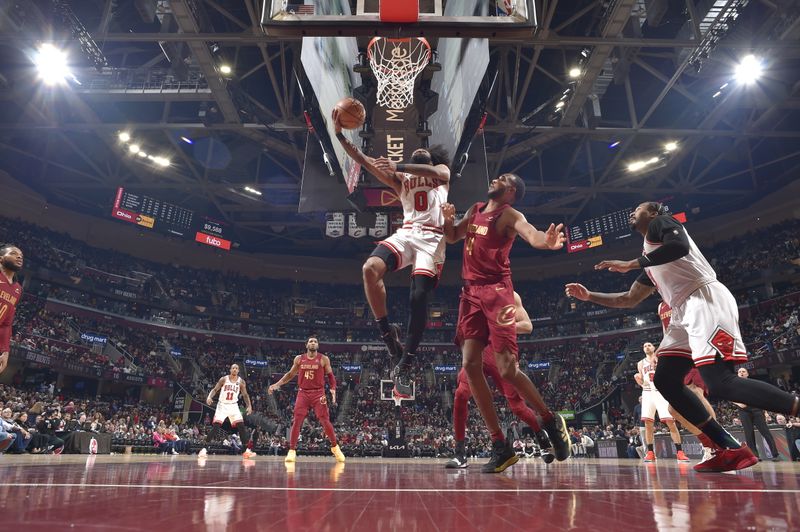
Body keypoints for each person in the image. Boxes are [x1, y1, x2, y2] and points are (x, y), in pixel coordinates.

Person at [565, 201, 800, 472]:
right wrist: (589, 296)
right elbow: (628, 300)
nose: (631, 212)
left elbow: (679, 247)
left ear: (653, 213)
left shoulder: (661, 223)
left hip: (703, 299)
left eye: (637, 208)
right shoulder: (652, 260)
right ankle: (728, 447)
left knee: (720, 382)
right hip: (682, 311)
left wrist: (630, 264)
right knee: (665, 379)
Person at [442, 174, 572, 473]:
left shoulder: (510, 215)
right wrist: (449, 221)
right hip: (470, 293)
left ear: (511, 191)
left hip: (497, 293)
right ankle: (500, 445)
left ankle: (550, 420)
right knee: (470, 364)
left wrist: (545, 241)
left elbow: (531, 233)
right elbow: (452, 237)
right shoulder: (475, 209)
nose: (497, 178)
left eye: (505, 179)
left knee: (507, 369)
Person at [332, 109, 450, 397]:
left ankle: (406, 362)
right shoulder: (401, 182)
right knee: (369, 269)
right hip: (408, 233)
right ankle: (388, 335)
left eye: (424, 150)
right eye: (417, 149)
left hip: (433, 239)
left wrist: (398, 164)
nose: (420, 149)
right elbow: (362, 160)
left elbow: (433, 172)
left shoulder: (441, 175)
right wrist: (339, 134)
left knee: (418, 296)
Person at [445, 291, 554, 469]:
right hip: (477, 351)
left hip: (499, 351)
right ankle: (460, 452)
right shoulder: (469, 292)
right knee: (460, 394)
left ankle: (541, 435)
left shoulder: (509, 294)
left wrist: (497, 326)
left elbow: (527, 326)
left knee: (517, 407)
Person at [268, 337, 345, 463]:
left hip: (318, 393)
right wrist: (277, 384)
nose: (313, 343)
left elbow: (331, 376)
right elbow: (290, 374)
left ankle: (335, 447)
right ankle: (292, 450)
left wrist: (333, 389)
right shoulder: (299, 359)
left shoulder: (323, 359)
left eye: (315, 341)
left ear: (318, 345)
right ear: (306, 345)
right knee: (297, 420)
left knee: (325, 420)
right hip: (303, 393)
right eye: (311, 341)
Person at [634, 341, 690, 462]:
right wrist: (638, 379)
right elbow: (642, 381)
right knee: (648, 424)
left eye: (649, 345)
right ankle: (650, 453)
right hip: (648, 393)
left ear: (654, 348)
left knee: (670, 422)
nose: (647, 347)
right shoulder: (640, 363)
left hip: (661, 391)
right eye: (644, 346)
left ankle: (680, 452)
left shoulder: (661, 359)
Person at [205, 363, 256, 459]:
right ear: (230, 370)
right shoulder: (224, 379)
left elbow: (245, 395)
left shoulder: (241, 382)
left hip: (233, 406)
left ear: (238, 370)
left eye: (236, 368)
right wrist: (209, 397)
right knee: (216, 426)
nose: (235, 369)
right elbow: (215, 389)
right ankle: (204, 449)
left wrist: (249, 406)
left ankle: (246, 451)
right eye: (233, 368)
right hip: (222, 405)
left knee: (241, 426)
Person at [733, 367, 780, 461]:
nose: (741, 373)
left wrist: (766, 412)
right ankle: (755, 456)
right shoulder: (734, 385)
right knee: (749, 433)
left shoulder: (752, 384)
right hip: (744, 411)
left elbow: (760, 398)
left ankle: (775, 454)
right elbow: (728, 396)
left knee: (765, 432)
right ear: (737, 374)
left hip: (756, 410)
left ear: (747, 374)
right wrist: (738, 403)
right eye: (739, 372)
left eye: (743, 372)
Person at [0, 244, 24, 374]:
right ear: (1, 259)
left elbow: (6, 324)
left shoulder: (18, 289)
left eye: (21, 255)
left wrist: (5, 351)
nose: (19, 256)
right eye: (13, 253)